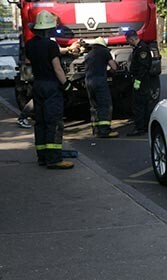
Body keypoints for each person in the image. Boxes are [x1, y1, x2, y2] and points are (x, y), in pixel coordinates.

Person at [24, 10, 74, 169]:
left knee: (41, 122)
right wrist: (67, 86)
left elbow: (28, 62)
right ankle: (54, 160)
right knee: (54, 122)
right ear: (48, 29)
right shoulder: (51, 45)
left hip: (37, 85)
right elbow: (57, 68)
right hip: (51, 86)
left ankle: (42, 157)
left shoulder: (30, 44)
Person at [84, 37, 118, 138]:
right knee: (105, 105)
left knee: (94, 106)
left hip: (88, 81)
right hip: (99, 81)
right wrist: (112, 72)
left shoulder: (89, 54)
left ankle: (95, 130)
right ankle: (104, 131)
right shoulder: (104, 51)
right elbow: (114, 67)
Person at [125, 30, 151, 136]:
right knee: (143, 104)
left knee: (138, 104)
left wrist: (137, 81)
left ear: (132, 39)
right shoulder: (139, 48)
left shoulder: (142, 49)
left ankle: (139, 128)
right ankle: (144, 126)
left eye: (128, 41)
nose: (128, 43)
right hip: (141, 80)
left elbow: (143, 67)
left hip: (141, 81)